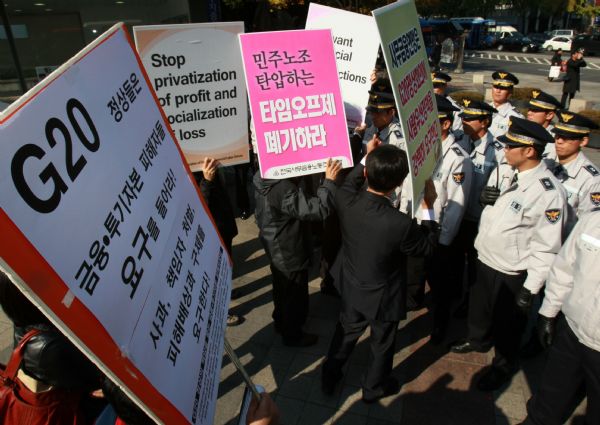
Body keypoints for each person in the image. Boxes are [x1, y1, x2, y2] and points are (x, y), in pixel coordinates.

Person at [450, 117, 569, 392]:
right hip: (485, 257)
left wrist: (531, 288)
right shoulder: (507, 169)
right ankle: (477, 339)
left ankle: (502, 366)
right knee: (479, 309)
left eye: (512, 145)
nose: (505, 149)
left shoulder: (549, 193)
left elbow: (547, 246)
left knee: (508, 325)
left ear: (529, 151)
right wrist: (484, 201)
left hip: (512, 270)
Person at [321, 140, 439, 403]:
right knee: (382, 344)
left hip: (352, 286)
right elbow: (427, 248)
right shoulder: (400, 223)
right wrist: (429, 207)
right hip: (384, 296)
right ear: (397, 184)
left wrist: (367, 156)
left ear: (366, 173)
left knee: (345, 334)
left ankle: (329, 375)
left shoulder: (345, 198)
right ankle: (373, 388)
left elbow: (350, 180)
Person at [519, 208, 600, 425]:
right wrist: (547, 314)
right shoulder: (593, 220)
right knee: (551, 390)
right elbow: (564, 268)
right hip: (572, 329)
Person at [254, 159, 342, 347]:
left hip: (275, 245)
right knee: (294, 293)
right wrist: (328, 182)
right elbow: (317, 209)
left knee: (282, 287)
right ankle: (293, 334)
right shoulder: (282, 188)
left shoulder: (264, 178)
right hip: (287, 249)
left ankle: (281, 321)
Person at [424, 95, 473, 343]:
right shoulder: (422, 147)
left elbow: (456, 206)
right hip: (418, 223)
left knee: (441, 286)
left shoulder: (458, 158)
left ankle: (440, 326)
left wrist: (443, 241)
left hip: (438, 230)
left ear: (445, 124)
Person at [451, 100, 502, 317]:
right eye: (464, 117)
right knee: (453, 262)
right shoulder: (459, 140)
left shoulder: (497, 151)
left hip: (477, 219)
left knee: (474, 267)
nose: (464, 121)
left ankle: (470, 303)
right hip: (456, 214)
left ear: (485, 122)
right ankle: (451, 296)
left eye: (470, 119)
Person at [194, 157, 243, 327]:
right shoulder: (191, 169)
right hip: (211, 231)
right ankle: (220, 314)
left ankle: (225, 293)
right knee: (215, 274)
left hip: (223, 225)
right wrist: (207, 181)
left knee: (225, 268)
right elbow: (200, 204)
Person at [543, 111, 600, 220]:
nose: (559, 141)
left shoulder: (591, 180)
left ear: (583, 141)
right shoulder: (545, 163)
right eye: (557, 136)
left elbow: (590, 222)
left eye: (566, 138)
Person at [488, 71, 524, 139]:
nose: (498, 91)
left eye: (503, 88)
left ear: (510, 92)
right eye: (496, 87)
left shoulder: (516, 117)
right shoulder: (484, 109)